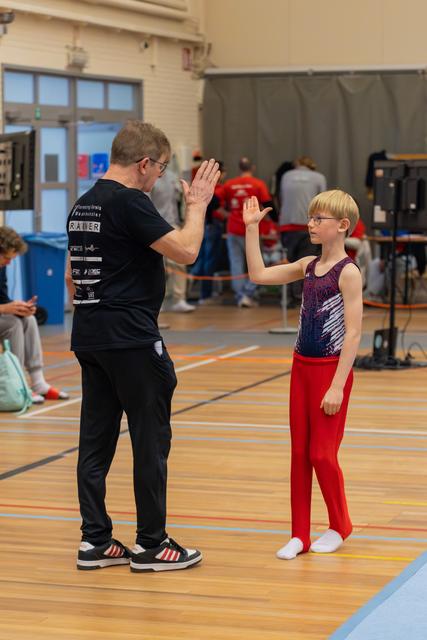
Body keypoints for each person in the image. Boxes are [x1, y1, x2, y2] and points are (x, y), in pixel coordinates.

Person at [66, 120, 219, 572]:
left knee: (95, 442)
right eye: (161, 170)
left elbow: (75, 277)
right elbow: (187, 251)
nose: (159, 179)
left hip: (89, 335)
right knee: (150, 441)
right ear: (144, 163)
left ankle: (96, 541)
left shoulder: (83, 204)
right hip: (131, 340)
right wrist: (198, 207)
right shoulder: (131, 202)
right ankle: (152, 543)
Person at [243, 189, 362, 560]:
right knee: (299, 454)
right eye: (311, 217)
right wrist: (250, 230)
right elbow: (259, 275)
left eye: (318, 219)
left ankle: (340, 525)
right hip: (301, 370)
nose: (310, 224)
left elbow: (355, 333)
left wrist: (338, 386)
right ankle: (299, 534)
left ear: (342, 226)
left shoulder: (349, 272)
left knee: (322, 455)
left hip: (330, 373)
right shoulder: (307, 266)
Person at [0, 226, 69, 404]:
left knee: (27, 319)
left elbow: (3, 299)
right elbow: (3, 308)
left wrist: (20, 308)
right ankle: (18, 383)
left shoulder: (1, 267)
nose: (8, 263)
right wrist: (5, 309)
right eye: (6, 258)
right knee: (13, 324)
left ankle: (38, 382)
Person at [223, 157, 274, 307]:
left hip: (233, 228)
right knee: (258, 262)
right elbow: (268, 203)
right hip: (250, 229)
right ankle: (247, 293)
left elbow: (216, 204)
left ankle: (240, 297)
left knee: (236, 263)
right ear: (252, 168)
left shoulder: (229, 184)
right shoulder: (258, 184)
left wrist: (227, 215)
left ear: (239, 168)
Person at [279, 156, 327, 306]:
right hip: (309, 225)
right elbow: (324, 203)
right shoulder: (319, 177)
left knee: (288, 262)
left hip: (287, 225)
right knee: (307, 264)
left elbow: (281, 198)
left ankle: (286, 298)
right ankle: (302, 297)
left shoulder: (286, 176)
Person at [150, 166, 195, 313]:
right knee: (157, 265)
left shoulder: (172, 176)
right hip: (154, 226)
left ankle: (179, 298)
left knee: (178, 262)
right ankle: (156, 301)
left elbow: (179, 201)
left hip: (173, 224)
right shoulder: (149, 178)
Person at [191, 161, 227, 304]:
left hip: (205, 225)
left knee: (203, 259)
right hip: (211, 226)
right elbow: (217, 209)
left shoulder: (206, 187)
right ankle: (205, 295)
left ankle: (194, 287)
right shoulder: (215, 189)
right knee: (209, 261)